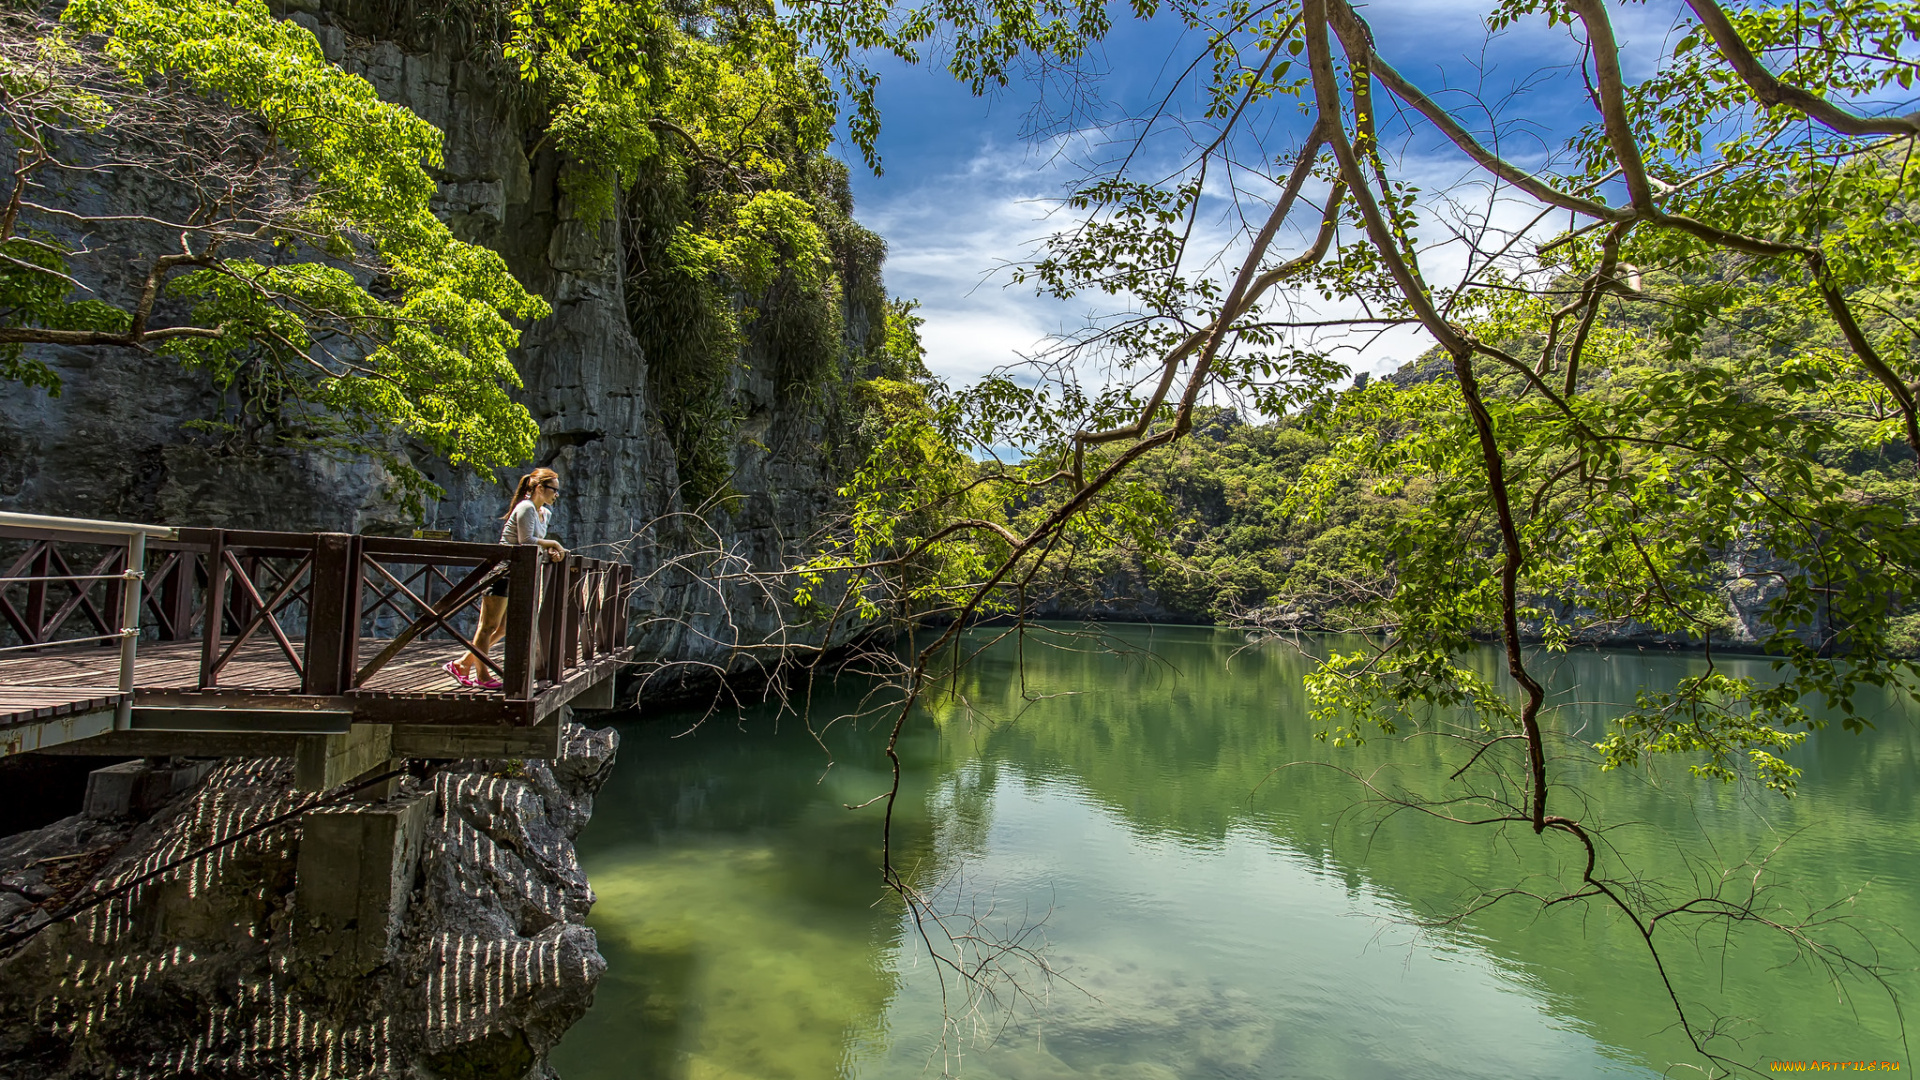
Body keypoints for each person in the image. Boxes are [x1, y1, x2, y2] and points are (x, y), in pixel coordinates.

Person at [446, 468, 567, 689]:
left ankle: (463, 663)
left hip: (519, 575)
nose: (556, 495)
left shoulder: (544, 514)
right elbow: (526, 541)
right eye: (554, 490)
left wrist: (550, 552)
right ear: (540, 488)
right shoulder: (526, 507)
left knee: (502, 628)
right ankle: (482, 677)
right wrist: (554, 544)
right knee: (488, 626)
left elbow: (536, 543)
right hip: (502, 571)